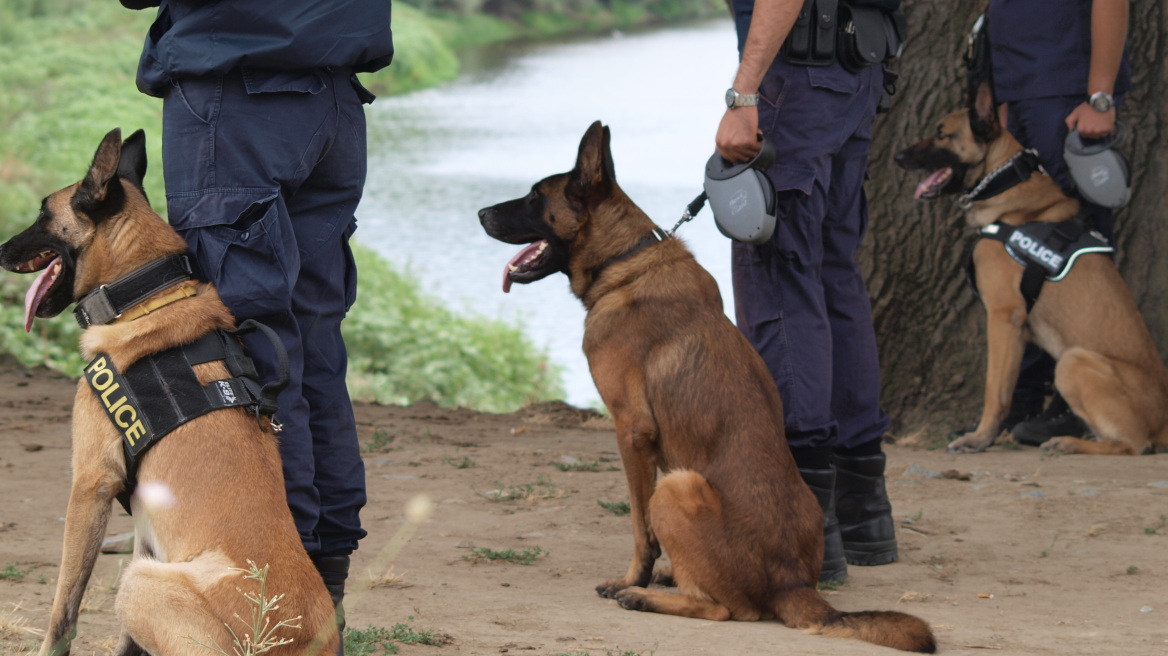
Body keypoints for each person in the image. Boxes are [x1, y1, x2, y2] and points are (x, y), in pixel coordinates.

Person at [121, 1, 394, 649]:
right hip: (333, 99)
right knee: (312, 343)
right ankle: (319, 594)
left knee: (246, 350)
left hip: (241, 97)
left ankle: (270, 596)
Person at [716, 0, 900, 582]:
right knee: (831, 274)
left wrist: (743, 96)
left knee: (779, 273)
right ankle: (864, 511)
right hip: (855, 73)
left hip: (799, 75)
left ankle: (802, 522)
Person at [983, 0, 1131, 445]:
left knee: (1078, 250)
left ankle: (1076, 404)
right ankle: (1025, 396)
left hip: (1066, 91)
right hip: (1020, 90)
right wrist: (1002, 93)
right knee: (1021, 256)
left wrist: (1099, 96)